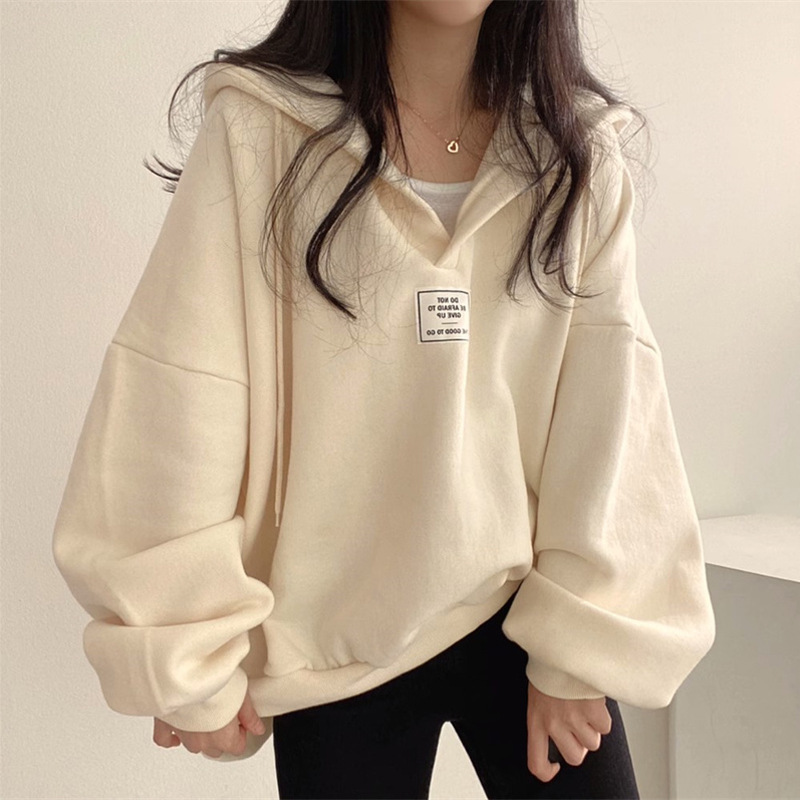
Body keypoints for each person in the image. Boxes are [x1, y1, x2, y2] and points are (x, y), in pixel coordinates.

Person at [51, 1, 717, 797]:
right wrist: (183, 645)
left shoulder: (574, 152)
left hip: (523, 610)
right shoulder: (262, 131)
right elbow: (180, 393)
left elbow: (610, 404)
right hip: (336, 636)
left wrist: (580, 650)